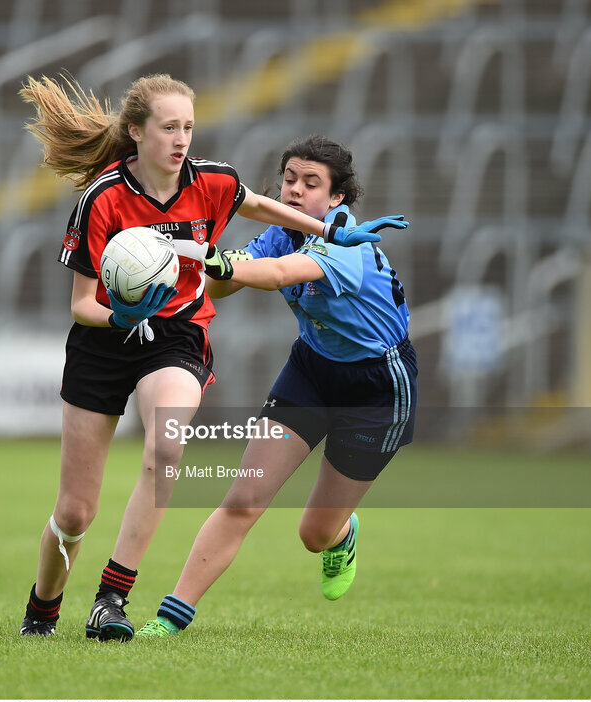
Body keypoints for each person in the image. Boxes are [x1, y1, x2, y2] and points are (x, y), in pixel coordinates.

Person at [16, 77, 400, 641]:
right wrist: (122, 316)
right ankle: (43, 608)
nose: (181, 139)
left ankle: (111, 599)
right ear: (136, 132)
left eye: (188, 127)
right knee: (75, 513)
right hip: (103, 343)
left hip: (175, 335)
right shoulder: (101, 198)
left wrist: (330, 232)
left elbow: (261, 206)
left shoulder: (211, 180)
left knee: (166, 443)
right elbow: (81, 305)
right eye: (169, 127)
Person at [136, 134, 416, 637]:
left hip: (376, 386)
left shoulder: (348, 241)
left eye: (311, 184)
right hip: (311, 370)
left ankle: (341, 533)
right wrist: (199, 261)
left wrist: (226, 264)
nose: (294, 191)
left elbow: (283, 273)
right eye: (289, 180)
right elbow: (228, 282)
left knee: (314, 534)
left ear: (336, 199)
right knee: (244, 498)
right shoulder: (282, 231)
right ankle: (171, 617)